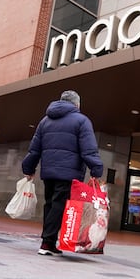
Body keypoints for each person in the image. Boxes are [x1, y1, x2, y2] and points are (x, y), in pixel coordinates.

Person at [22, 90, 103, 256]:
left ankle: (49, 242)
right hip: (69, 172)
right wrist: (96, 169)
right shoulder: (81, 121)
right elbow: (89, 150)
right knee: (59, 206)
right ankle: (46, 242)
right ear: (77, 104)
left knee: (50, 205)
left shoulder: (45, 121)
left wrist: (29, 169)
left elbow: (34, 149)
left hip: (49, 171)